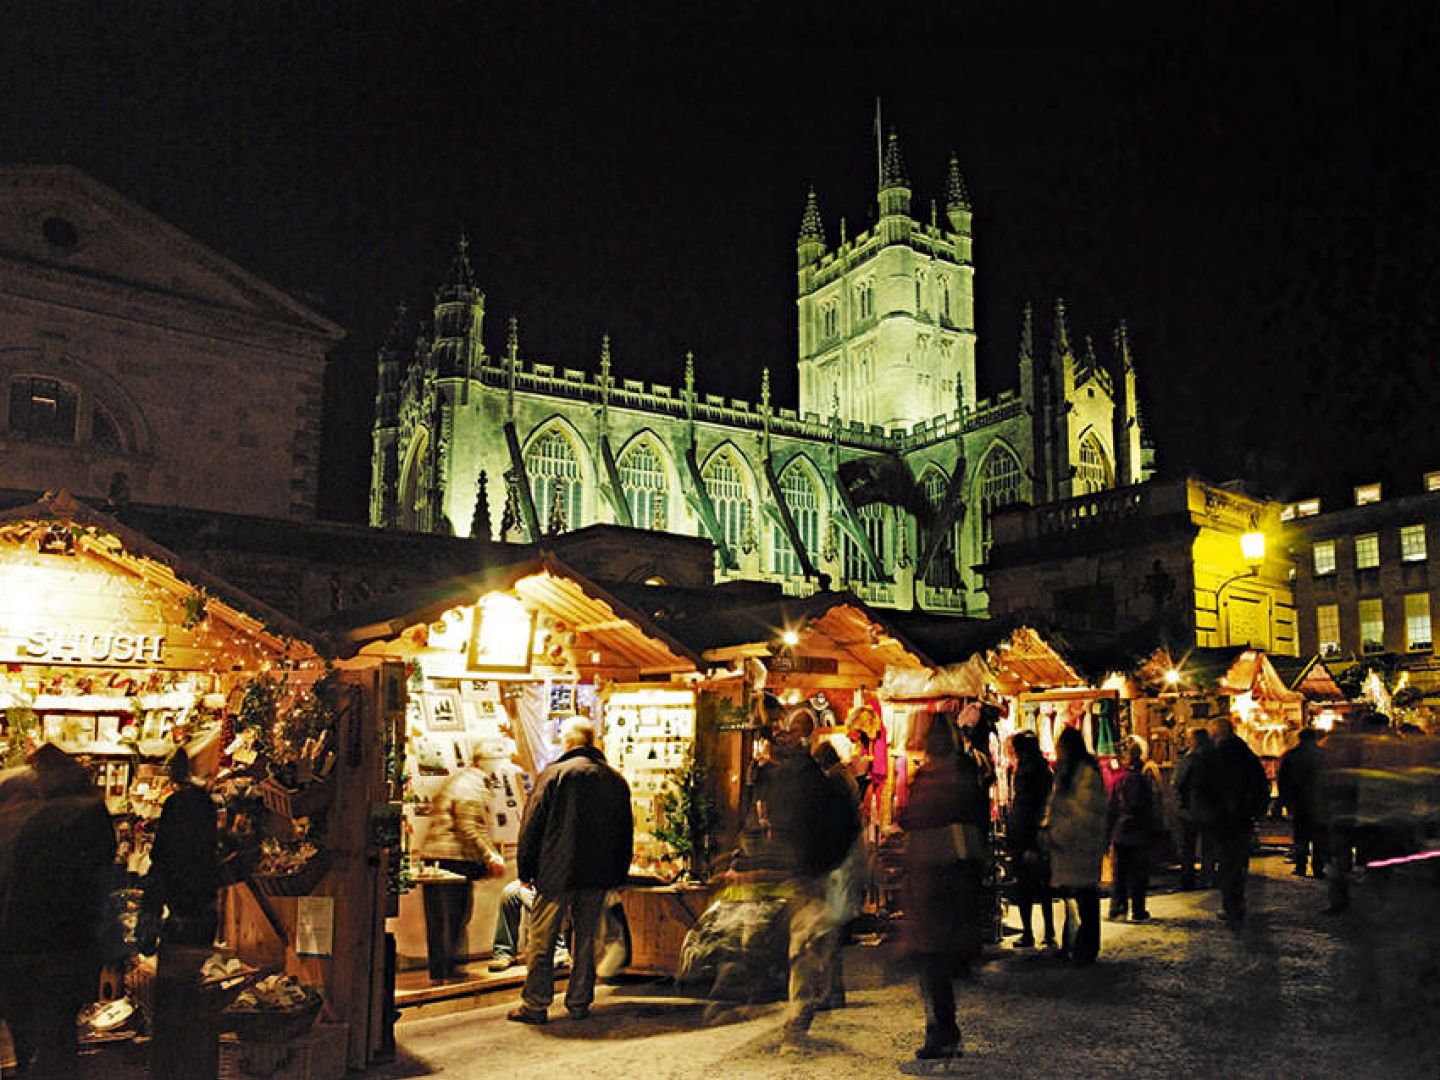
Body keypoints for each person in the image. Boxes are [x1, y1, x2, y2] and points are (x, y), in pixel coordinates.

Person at [508, 719, 632, 1025]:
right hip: (597, 873)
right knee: (586, 938)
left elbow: (532, 824)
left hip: (556, 870)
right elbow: (624, 831)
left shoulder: (555, 774)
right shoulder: (614, 779)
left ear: (568, 743)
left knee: (542, 938)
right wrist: (618, 873)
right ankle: (579, 1001)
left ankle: (535, 1003)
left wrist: (526, 867)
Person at [3, 744, 117, 1077]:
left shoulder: (33, 819)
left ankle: (27, 1067)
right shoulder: (90, 814)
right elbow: (102, 881)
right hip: (67, 943)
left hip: (22, 941)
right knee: (58, 1035)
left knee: (27, 1034)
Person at [763, 706, 860, 1051]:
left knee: (803, 944)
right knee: (810, 941)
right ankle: (812, 1000)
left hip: (806, 872)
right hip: (815, 870)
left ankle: (801, 1013)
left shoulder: (792, 781)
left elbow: (776, 824)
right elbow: (847, 824)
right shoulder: (820, 781)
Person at [897, 715, 981, 1061]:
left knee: (931, 959)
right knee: (939, 957)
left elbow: (909, 818)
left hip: (930, 875)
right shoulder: (964, 778)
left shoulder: (928, 781)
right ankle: (944, 1027)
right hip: (957, 873)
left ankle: (941, 1030)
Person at [140, 747, 221, 1080]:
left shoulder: (176, 811)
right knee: (196, 1008)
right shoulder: (206, 812)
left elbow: (160, 869)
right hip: (203, 922)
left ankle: (169, 1070)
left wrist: (147, 922)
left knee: (171, 1011)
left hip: (179, 925)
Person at [415, 747, 505, 980]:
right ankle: (451, 970)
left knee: (438, 919)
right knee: (455, 916)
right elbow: (469, 827)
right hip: (454, 858)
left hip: (434, 855)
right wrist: (491, 855)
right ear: (486, 760)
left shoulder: (460, 779)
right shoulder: (472, 785)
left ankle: (440, 970)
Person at [1040, 726, 1108, 966]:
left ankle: (1084, 947)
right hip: (1072, 847)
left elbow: (1082, 815)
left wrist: (1056, 834)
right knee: (1079, 896)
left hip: (1078, 847)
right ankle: (1078, 945)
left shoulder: (1083, 775)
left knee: (1084, 897)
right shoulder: (1074, 773)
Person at [1203, 715, 1271, 930]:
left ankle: (1230, 904)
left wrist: (1207, 812)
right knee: (1239, 861)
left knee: (1225, 861)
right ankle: (1237, 902)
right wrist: (1256, 811)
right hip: (1243, 817)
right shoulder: (1247, 754)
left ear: (1217, 733)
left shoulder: (1214, 756)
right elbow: (1261, 785)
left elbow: (1206, 787)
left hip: (1222, 818)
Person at [1006, 731, 1055, 948]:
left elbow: (1024, 808)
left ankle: (1028, 932)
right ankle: (1050, 930)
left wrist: (1019, 837)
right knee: (1044, 885)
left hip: (1027, 835)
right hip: (1043, 833)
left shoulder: (1025, 771)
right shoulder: (1045, 769)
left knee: (1025, 885)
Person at [1107, 736, 1162, 922]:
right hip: (1139, 833)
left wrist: (1108, 834)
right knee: (1139, 874)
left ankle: (1118, 909)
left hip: (1121, 832)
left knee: (1120, 874)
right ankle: (1138, 910)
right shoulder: (1144, 779)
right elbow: (1151, 807)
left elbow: (1112, 808)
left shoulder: (1120, 780)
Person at [1172, 727, 1218, 890]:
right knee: (1209, 846)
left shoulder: (1191, 758)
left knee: (1188, 846)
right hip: (1213, 808)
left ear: (1194, 740)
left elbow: (1178, 782)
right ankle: (1209, 877)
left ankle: (1188, 879)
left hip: (1192, 807)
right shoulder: (1217, 758)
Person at [1278, 727, 1325, 879]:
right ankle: (1318, 867)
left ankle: (1300, 866)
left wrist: (1285, 801)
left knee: (1300, 836)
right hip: (1318, 801)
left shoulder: (1291, 756)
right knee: (1319, 837)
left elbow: (1283, 781)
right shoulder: (1323, 756)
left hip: (1298, 802)